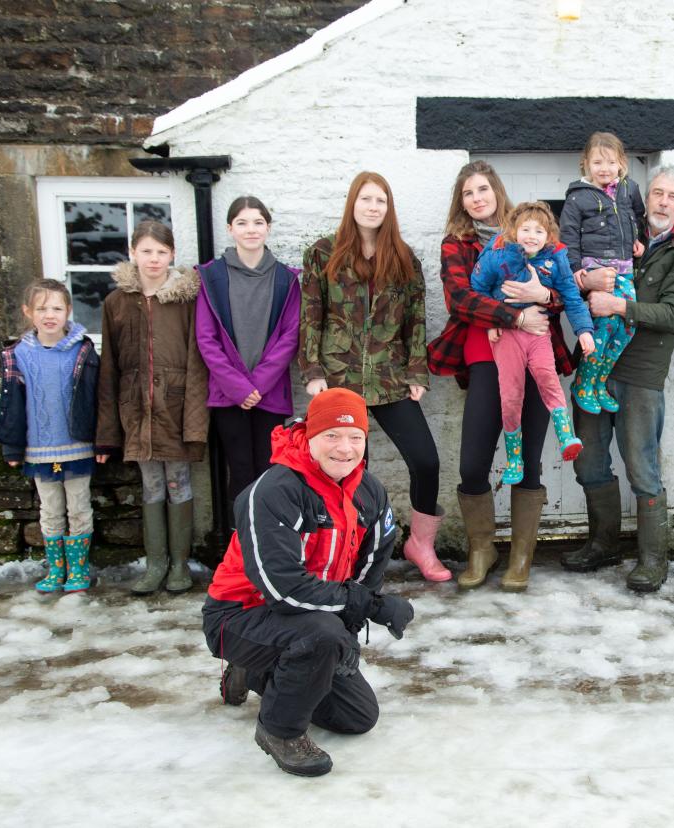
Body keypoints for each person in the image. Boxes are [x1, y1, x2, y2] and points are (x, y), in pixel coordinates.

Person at [202, 388, 413, 777]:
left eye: (355, 438)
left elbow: (370, 567)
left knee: (357, 717)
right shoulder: (274, 491)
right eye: (332, 435)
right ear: (309, 435)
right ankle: (279, 731)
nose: (344, 449)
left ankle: (255, 673)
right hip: (239, 617)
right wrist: (370, 608)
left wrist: (352, 623)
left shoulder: (370, 492)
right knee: (320, 637)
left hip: (316, 618)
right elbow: (282, 589)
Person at [427, 160, 572, 592]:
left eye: (483, 190)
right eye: (468, 193)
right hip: (484, 356)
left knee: (529, 458)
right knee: (473, 463)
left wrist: (542, 295)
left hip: (537, 356)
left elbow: (565, 295)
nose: (477, 198)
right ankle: (482, 548)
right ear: (461, 201)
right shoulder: (457, 245)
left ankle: (521, 556)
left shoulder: (533, 232)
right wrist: (515, 315)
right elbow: (460, 299)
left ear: (497, 193)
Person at [299, 172, 448, 582]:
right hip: (339, 379)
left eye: (380, 200)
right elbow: (310, 315)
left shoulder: (403, 258)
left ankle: (420, 544)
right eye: (365, 199)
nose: (372, 207)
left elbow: (416, 319)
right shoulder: (322, 254)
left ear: (388, 207)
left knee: (426, 460)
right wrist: (312, 370)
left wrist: (417, 370)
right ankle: (345, 553)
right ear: (353, 204)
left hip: (390, 376)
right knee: (346, 469)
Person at [562, 165, 674, 592]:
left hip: (641, 373)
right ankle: (603, 543)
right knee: (588, 460)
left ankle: (652, 559)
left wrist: (620, 307)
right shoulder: (619, 229)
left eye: (672, 197)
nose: (662, 202)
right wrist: (588, 282)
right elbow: (573, 268)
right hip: (594, 365)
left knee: (642, 466)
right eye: (657, 193)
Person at [95, 220, 209, 594]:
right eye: (146, 251)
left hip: (174, 410)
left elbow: (197, 362)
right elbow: (109, 369)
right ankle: (155, 561)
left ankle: (179, 563)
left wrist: (194, 424)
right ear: (132, 253)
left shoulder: (186, 300)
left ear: (172, 254)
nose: (154, 259)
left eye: (161, 252)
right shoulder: (116, 303)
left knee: (178, 483)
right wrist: (107, 433)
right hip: (136, 412)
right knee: (151, 485)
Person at [471, 201, 595, 486]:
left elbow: (571, 296)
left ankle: (566, 435)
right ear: (514, 231)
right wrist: (492, 321)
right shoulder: (497, 253)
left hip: (539, 330)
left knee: (547, 376)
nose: (531, 235)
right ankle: (514, 457)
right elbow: (477, 289)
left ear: (549, 235)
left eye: (538, 230)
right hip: (507, 334)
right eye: (525, 229)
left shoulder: (556, 259)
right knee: (511, 394)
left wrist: (584, 330)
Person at [195, 196, 301, 523]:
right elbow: (206, 338)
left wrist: (258, 385)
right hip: (229, 396)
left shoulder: (286, 278)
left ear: (268, 228)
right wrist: (239, 387)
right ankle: (239, 551)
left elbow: (290, 335)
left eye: (258, 222)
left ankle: (268, 547)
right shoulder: (212, 277)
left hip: (269, 395)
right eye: (242, 223)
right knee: (239, 472)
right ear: (230, 229)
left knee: (269, 472)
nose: (250, 229)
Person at [0, 279, 100, 593]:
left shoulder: (82, 351)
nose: (49, 314)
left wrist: (103, 441)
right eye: (42, 308)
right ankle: (57, 569)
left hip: (78, 446)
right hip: (40, 450)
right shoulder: (18, 355)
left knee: (79, 507)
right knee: (50, 509)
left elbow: (96, 398)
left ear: (68, 311)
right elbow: (11, 403)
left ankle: (79, 569)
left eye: (56, 307)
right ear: (28, 312)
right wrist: (12, 447)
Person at [560, 131, 646, 415]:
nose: (604, 168)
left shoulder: (629, 189)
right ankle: (583, 382)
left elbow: (638, 215)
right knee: (606, 325)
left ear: (622, 163)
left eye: (610, 162)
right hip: (595, 266)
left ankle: (599, 382)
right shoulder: (577, 197)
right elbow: (568, 236)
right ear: (586, 164)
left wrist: (638, 238)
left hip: (624, 268)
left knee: (628, 325)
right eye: (597, 162)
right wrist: (576, 270)